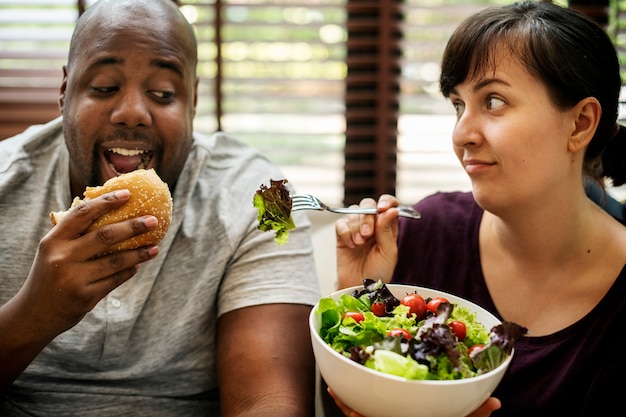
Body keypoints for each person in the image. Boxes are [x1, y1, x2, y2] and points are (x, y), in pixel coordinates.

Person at [0, 0, 320, 416]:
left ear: (193, 101)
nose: (132, 112)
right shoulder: (6, 179)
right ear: (64, 92)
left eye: (163, 93)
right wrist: (36, 313)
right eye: (104, 87)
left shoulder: (269, 196)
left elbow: (270, 401)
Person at [328, 2, 626, 416]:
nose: (462, 133)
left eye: (495, 101)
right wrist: (359, 303)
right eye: (458, 104)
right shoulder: (422, 235)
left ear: (579, 124)